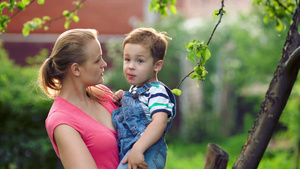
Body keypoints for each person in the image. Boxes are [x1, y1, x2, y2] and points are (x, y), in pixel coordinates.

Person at [38, 29, 119, 169]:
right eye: (97, 60)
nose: (104, 64)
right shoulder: (62, 122)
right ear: (76, 69)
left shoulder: (103, 93)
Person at [112, 27, 176, 169]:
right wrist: (123, 102)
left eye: (139, 61)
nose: (131, 66)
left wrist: (138, 149)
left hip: (148, 150)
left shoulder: (157, 91)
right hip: (132, 148)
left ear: (157, 65)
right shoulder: (135, 90)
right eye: (127, 59)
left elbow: (159, 122)